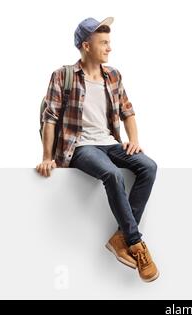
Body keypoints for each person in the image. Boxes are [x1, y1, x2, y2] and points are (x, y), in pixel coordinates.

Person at [36, 17, 159, 281]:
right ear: (86, 45)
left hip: (109, 142)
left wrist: (133, 140)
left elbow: (128, 111)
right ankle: (136, 244)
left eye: (109, 42)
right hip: (80, 146)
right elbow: (50, 117)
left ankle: (119, 238)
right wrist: (47, 157)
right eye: (103, 42)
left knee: (148, 166)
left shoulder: (113, 75)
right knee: (113, 175)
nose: (109, 48)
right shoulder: (63, 75)